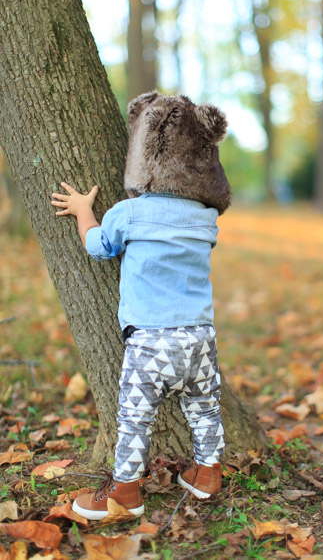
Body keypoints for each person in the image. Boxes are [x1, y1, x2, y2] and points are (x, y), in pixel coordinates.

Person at [51, 91, 232, 521]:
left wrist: (82, 211)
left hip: (152, 340)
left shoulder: (129, 213)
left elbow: (98, 246)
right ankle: (208, 474)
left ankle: (125, 493)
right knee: (205, 405)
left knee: (135, 418)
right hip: (201, 336)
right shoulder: (205, 217)